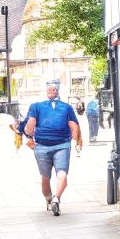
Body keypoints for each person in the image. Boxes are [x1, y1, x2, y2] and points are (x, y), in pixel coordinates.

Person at [23, 78, 82, 216]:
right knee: (56, 175)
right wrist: (77, 140)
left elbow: (74, 125)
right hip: (46, 146)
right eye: (50, 88)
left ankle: (51, 200)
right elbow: (74, 126)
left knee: (48, 177)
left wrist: (77, 140)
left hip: (59, 145)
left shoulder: (64, 107)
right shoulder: (37, 106)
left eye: (54, 88)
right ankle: (54, 199)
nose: (52, 90)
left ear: (57, 91)